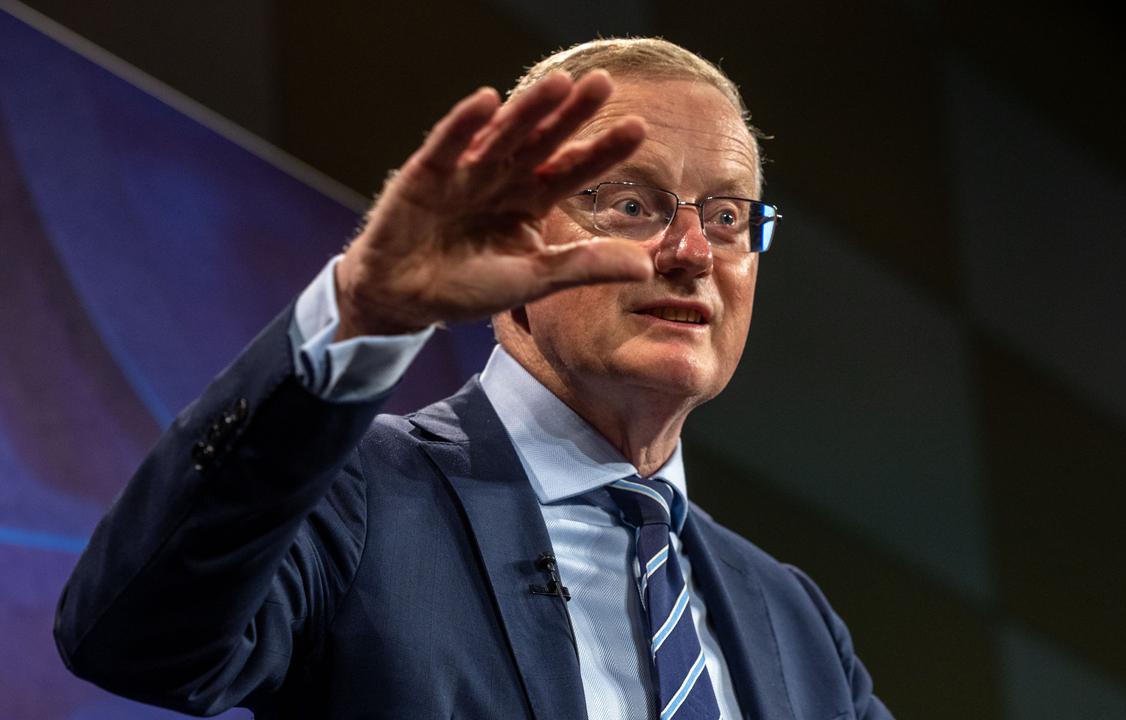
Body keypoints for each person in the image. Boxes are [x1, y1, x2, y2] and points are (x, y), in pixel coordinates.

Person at [54, 38, 892, 719]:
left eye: (727, 216)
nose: (692, 253)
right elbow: (132, 639)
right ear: (511, 234)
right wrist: (362, 312)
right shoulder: (355, 496)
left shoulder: (797, 623)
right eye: (632, 204)